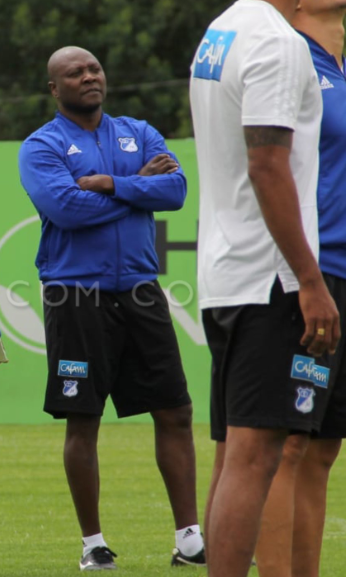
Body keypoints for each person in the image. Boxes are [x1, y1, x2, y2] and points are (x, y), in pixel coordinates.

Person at [18, 46, 203, 571]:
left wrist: (113, 183)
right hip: (75, 294)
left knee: (176, 411)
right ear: (55, 89)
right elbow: (66, 209)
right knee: (83, 419)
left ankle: (189, 539)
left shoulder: (138, 130)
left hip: (140, 289)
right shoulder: (41, 146)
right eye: (74, 73)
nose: (89, 76)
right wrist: (138, 186)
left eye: (95, 68)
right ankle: (92, 544)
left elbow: (176, 191)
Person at [189, 0, 340, 575]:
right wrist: (309, 279)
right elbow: (267, 166)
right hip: (269, 276)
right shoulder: (278, 41)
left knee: (235, 456)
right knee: (256, 459)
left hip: (227, 273)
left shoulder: (221, 29)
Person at [254, 2, 346, 576]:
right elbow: (265, 165)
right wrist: (306, 276)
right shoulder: (287, 55)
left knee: (324, 450)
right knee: (287, 444)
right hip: (309, 273)